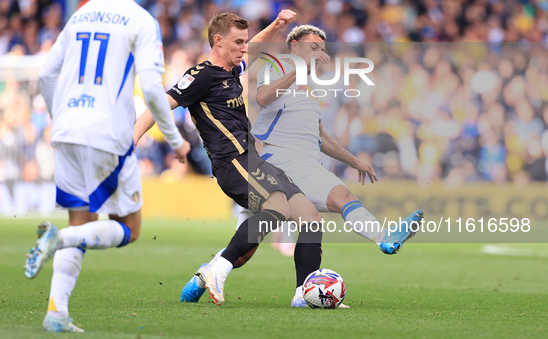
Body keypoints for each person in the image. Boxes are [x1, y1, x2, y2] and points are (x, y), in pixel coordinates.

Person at [180, 24, 424, 307]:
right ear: (294, 46)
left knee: (262, 243)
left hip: (308, 161)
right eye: (312, 47)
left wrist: (353, 160)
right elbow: (262, 97)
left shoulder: (310, 88)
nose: (319, 53)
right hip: (278, 159)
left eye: (322, 49)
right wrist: (301, 69)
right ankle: (220, 274)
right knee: (275, 237)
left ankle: (297, 289)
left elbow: (321, 137)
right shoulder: (277, 66)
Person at [23, 0, 190, 332]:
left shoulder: (82, 12)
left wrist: (59, 115)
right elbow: (152, 88)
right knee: (129, 227)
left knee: (83, 221)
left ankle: (56, 313)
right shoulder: (142, 20)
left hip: (66, 130)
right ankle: (56, 239)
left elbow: (47, 73)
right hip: (107, 134)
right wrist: (174, 138)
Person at [134, 10, 326, 307]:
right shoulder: (203, 75)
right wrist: (131, 140)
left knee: (309, 218)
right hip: (232, 161)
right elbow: (159, 104)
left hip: (253, 160)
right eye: (238, 42)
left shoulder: (231, 70)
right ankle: (218, 270)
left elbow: (258, 47)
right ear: (218, 41)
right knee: (277, 208)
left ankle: (303, 293)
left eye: (245, 41)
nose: (244, 48)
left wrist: (276, 25)